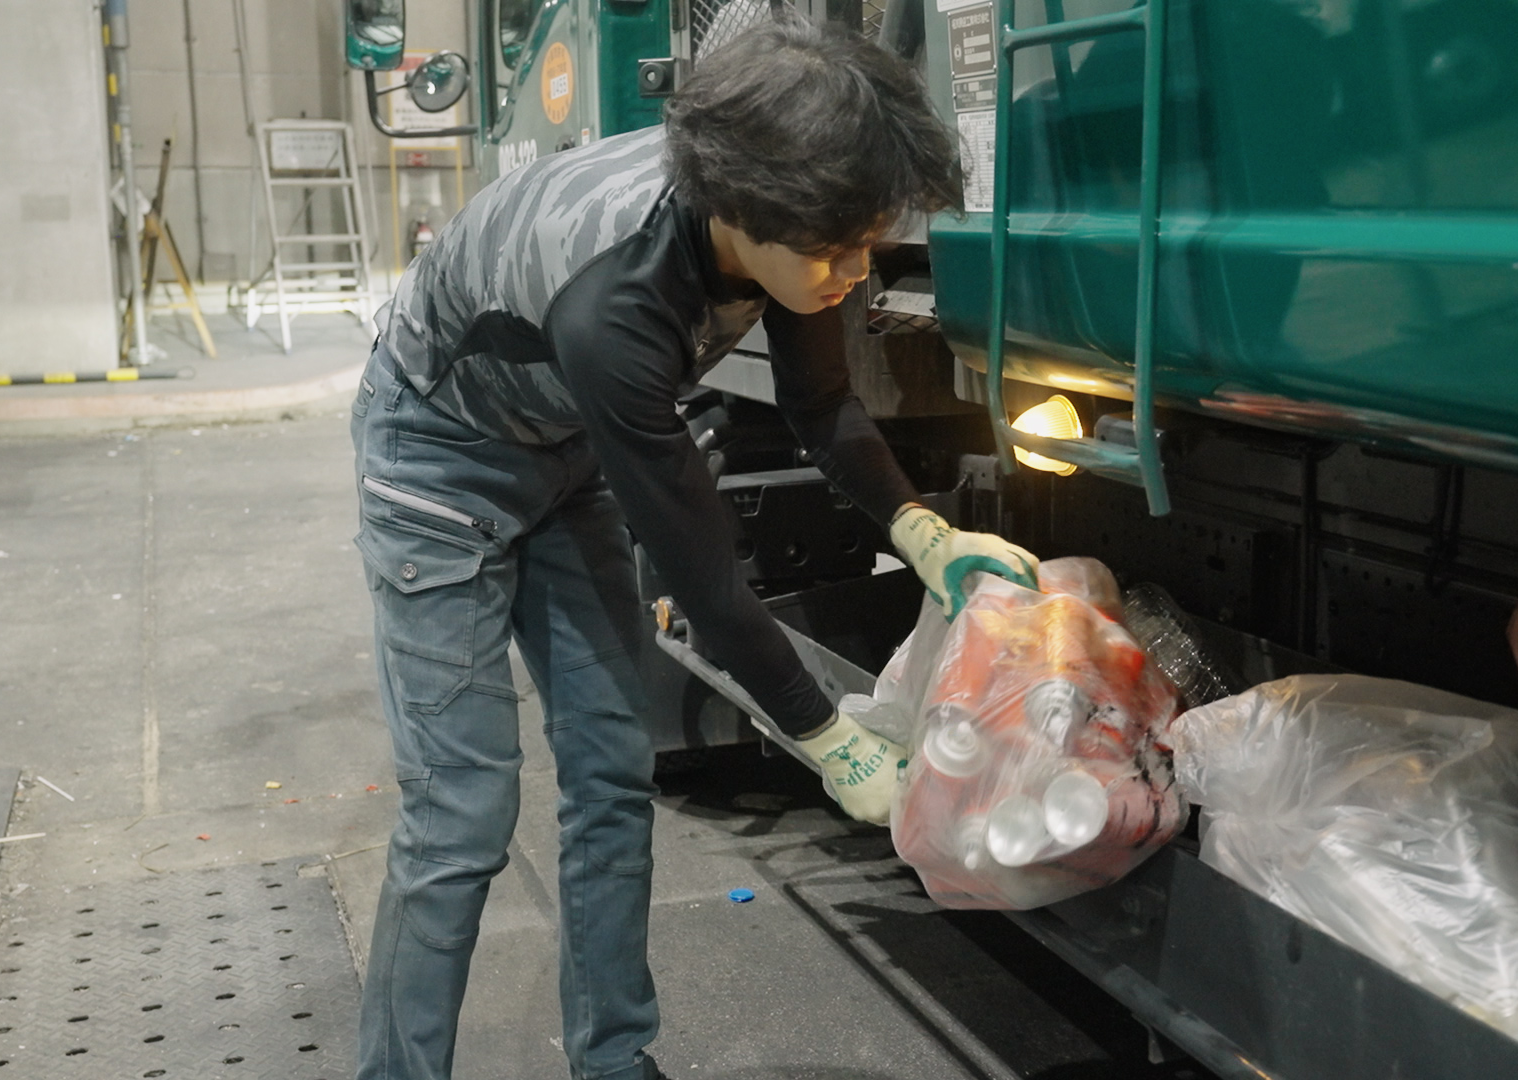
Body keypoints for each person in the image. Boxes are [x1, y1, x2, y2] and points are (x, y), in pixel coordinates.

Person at [349, 14, 1039, 1080]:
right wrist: (829, 740)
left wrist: (923, 529)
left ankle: (615, 1063)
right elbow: (703, 571)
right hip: (439, 460)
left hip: (564, 447)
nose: (853, 273)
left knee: (614, 774)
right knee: (460, 816)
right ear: (742, 213)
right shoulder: (615, 305)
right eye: (835, 250)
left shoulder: (790, 224)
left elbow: (819, 402)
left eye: (865, 246)